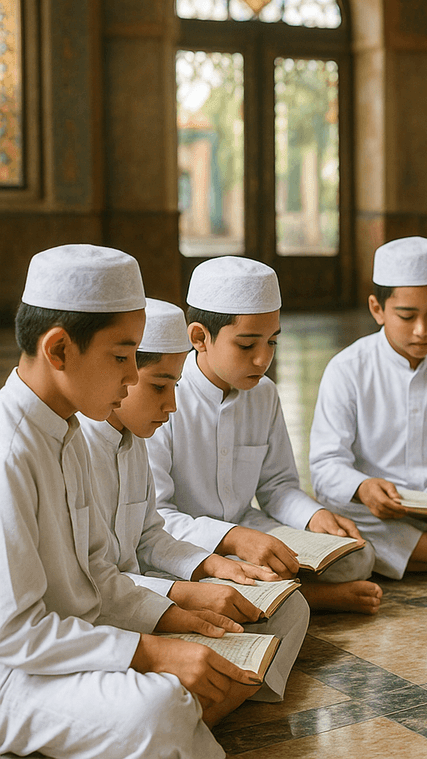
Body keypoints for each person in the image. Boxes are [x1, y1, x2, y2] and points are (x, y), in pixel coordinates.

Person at [0, 245, 258, 758]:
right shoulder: (11, 452)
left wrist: (169, 618)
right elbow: (16, 636)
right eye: (121, 357)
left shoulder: (67, 432)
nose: (132, 376)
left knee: (196, 679)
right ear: (59, 350)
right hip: (18, 674)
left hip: (76, 647)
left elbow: (100, 576)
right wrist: (148, 651)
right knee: (159, 707)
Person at [81, 297, 311, 704]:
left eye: (175, 386)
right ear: (120, 371)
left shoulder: (133, 438)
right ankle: (213, 700)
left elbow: (151, 534)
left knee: (292, 610)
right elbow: (90, 582)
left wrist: (212, 565)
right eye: (159, 386)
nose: (171, 405)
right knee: (160, 702)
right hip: (106, 616)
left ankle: (220, 695)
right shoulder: (77, 448)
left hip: (147, 592)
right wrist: (183, 599)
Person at [148, 256, 382, 615]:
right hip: (189, 544)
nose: (262, 360)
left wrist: (314, 517)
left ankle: (278, 596)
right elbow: (158, 518)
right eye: (246, 346)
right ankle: (310, 599)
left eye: (272, 342)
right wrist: (229, 539)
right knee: (174, 577)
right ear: (200, 337)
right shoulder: (161, 400)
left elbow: (277, 486)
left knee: (356, 556)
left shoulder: (265, 393)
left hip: (250, 528)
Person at [310, 237, 427, 579]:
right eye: (407, 316)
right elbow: (326, 465)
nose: (423, 330)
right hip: (378, 513)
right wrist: (363, 488)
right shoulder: (348, 368)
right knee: (335, 513)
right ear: (377, 309)